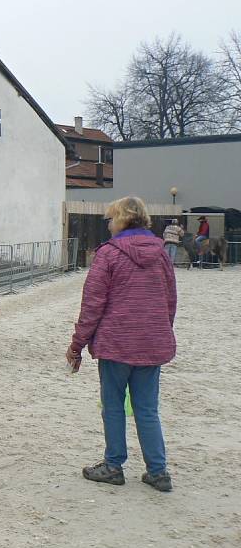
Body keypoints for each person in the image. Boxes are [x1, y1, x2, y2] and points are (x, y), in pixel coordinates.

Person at [66, 196, 176, 493]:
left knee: (113, 406)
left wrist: (77, 344)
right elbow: (169, 301)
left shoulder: (109, 254)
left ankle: (114, 465)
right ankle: (158, 470)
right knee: (147, 408)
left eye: (111, 218)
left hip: (116, 342)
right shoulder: (161, 254)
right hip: (151, 343)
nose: (109, 224)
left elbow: (92, 304)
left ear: (122, 219)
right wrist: (162, 331)